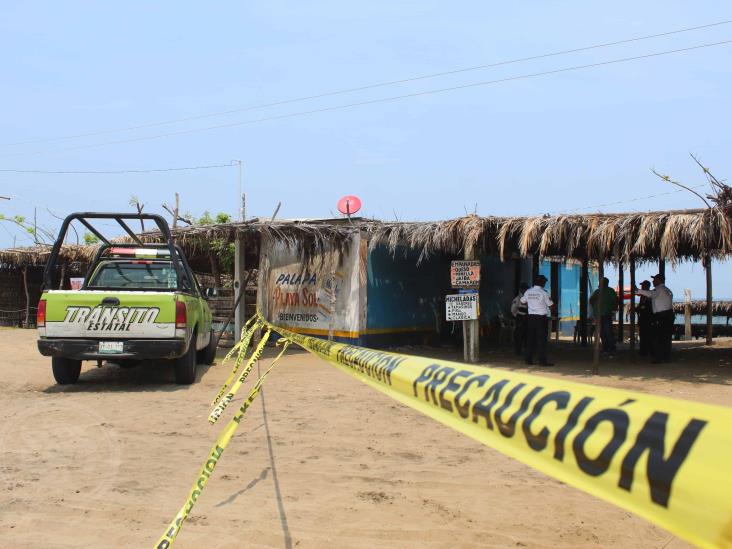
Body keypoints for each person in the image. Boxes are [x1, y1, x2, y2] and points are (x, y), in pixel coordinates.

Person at [636, 273, 674, 363]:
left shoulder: (659, 290)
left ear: (659, 280)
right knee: (666, 338)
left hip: (661, 316)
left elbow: (650, 294)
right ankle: (666, 357)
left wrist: (638, 290)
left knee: (658, 338)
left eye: (655, 279)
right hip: (668, 315)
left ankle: (659, 358)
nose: (653, 281)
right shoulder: (667, 290)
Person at [520, 274, 554, 366]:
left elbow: (522, 301)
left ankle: (528, 359)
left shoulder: (528, 291)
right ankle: (542, 361)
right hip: (541, 319)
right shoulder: (544, 293)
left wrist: (531, 304)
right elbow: (551, 305)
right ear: (543, 283)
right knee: (541, 340)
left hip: (531, 318)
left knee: (530, 339)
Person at [589, 277, 619, 353]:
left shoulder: (609, 291)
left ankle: (610, 347)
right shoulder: (598, 291)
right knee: (604, 332)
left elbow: (615, 301)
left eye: (601, 282)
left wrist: (613, 308)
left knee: (606, 331)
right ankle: (606, 347)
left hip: (605, 314)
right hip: (601, 314)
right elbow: (591, 300)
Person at [510, 282, 529, 355]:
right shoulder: (517, 299)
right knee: (519, 335)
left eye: (526, 289)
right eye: (524, 289)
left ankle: (526, 350)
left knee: (527, 335)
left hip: (527, 318)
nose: (526, 290)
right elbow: (513, 310)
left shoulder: (529, 298)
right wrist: (518, 317)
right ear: (521, 289)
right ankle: (518, 351)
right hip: (520, 318)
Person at [636, 280, 653, 357]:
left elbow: (647, 307)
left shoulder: (649, 295)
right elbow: (641, 306)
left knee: (647, 334)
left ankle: (646, 351)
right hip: (642, 317)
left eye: (643, 285)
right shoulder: (643, 296)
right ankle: (643, 350)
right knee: (643, 334)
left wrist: (639, 308)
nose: (641, 287)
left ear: (646, 286)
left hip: (647, 317)